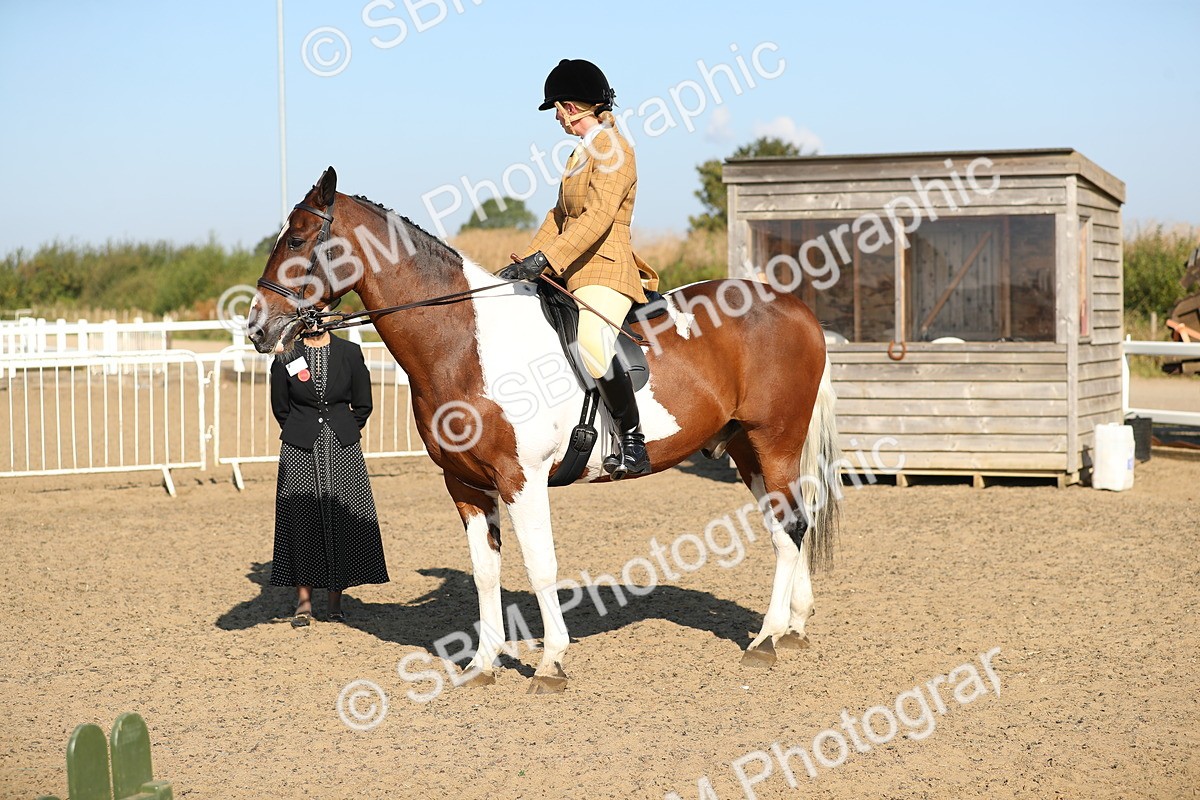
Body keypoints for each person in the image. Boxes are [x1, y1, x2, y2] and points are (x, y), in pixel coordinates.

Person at [500, 58, 660, 479]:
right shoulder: (580, 153)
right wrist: (524, 263)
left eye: (557, 107)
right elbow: (559, 215)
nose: (555, 116)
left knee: (592, 341)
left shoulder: (613, 148)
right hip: (570, 266)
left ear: (572, 106)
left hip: (604, 268)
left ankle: (633, 441)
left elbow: (598, 216)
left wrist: (549, 260)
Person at [269, 324, 388, 626]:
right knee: (301, 519)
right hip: (299, 448)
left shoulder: (350, 352)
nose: (314, 319)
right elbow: (280, 406)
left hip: (342, 447)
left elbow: (363, 404)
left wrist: (342, 429)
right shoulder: (288, 355)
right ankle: (304, 602)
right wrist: (303, 428)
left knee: (341, 519)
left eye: (320, 312)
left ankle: (336, 601)